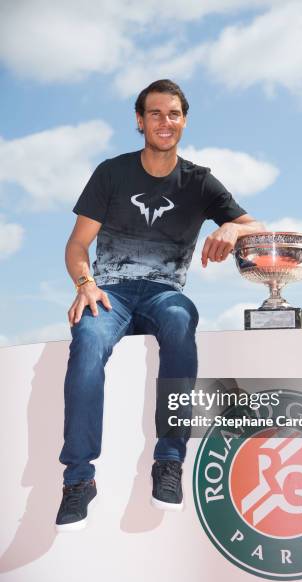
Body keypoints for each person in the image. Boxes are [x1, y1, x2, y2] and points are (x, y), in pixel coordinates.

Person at [55, 79, 264, 532]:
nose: (164, 122)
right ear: (139, 121)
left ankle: (169, 460)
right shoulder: (112, 173)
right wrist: (86, 283)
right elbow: (76, 245)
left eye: (173, 114)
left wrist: (233, 229)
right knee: (88, 337)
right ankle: (78, 480)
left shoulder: (199, 181)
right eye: (155, 114)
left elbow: (258, 225)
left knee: (178, 317)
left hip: (164, 292)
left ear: (184, 121)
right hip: (110, 291)